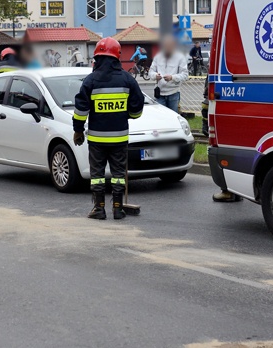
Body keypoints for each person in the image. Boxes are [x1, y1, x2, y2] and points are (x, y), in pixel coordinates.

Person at [73, 38, 144, 221]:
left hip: (97, 140)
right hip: (119, 138)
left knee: (97, 175)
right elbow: (137, 109)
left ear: (97, 57)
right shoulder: (128, 79)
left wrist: (78, 130)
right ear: (117, 57)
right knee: (118, 174)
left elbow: (81, 110)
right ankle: (118, 209)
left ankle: (99, 208)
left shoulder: (91, 80)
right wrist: (124, 116)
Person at [150, 34, 188, 113]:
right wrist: (155, 75)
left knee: (173, 117)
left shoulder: (180, 57)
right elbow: (150, 72)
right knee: (161, 117)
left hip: (173, 92)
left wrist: (172, 77)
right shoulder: (157, 57)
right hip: (160, 93)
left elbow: (185, 75)